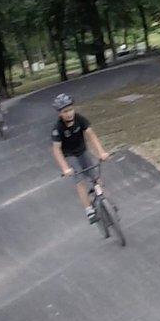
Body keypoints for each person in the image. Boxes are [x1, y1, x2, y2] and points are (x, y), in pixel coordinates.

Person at [50, 93, 110, 224]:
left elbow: (91, 135)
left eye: (70, 109)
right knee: (80, 181)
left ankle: (104, 201)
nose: (69, 113)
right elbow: (56, 150)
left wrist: (101, 153)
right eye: (65, 111)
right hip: (70, 155)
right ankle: (89, 210)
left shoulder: (79, 119)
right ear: (60, 114)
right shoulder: (58, 128)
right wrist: (65, 168)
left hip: (82, 151)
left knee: (95, 176)